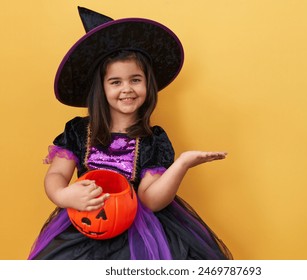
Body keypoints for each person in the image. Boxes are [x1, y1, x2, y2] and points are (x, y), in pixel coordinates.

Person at [28, 6, 232, 260]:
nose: (127, 89)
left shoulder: (152, 139)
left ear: (148, 84)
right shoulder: (79, 131)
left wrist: (182, 164)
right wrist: (62, 194)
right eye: (116, 82)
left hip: (140, 232)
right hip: (86, 222)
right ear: (100, 88)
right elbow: (57, 173)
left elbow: (150, 201)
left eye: (135, 79)